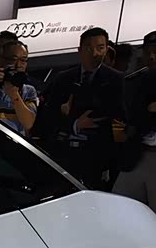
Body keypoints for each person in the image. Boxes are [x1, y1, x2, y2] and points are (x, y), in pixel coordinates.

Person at [42, 27, 126, 191]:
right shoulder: (63, 78)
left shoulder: (117, 80)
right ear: (79, 50)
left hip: (98, 155)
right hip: (63, 152)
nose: (95, 53)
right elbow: (48, 116)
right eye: (89, 48)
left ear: (107, 49)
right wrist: (73, 124)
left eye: (100, 48)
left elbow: (119, 116)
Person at [113, 31, 156, 214]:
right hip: (138, 152)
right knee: (120, 209)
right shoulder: (133, 82)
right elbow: (130, 116)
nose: (151, 57)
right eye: (147, 52)